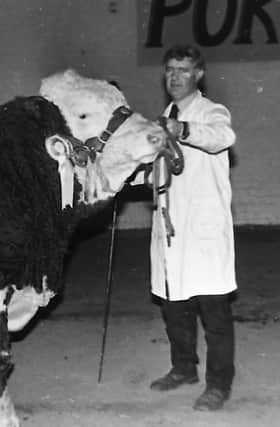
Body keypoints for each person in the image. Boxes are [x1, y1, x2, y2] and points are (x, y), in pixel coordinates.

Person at [147, 44, 237, 411]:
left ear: (198, 74)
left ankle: (219, 384)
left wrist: (179, 128)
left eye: (183, 70)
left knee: (213, 311)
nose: (175, 77)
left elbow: (221, 138)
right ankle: (184, 368)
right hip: (170, 228)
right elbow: (156, 169)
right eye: (170, 69)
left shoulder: (212, 112)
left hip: (203, 229)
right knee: (174, 306)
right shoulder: (163, 115)